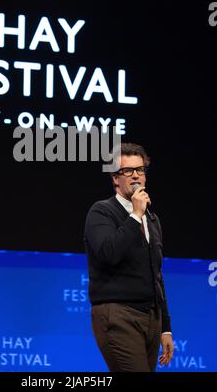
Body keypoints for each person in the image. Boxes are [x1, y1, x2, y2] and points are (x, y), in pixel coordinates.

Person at [84, 142, 174, 372]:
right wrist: (135, 215)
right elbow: (109, 254)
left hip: (150, 317)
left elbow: (156, 274)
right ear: (115, 178)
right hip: (117, 314)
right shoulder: (101, 211)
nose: (136, 176)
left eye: (140, 170)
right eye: (128, 171)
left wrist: (165, 327)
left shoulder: (152, 219)